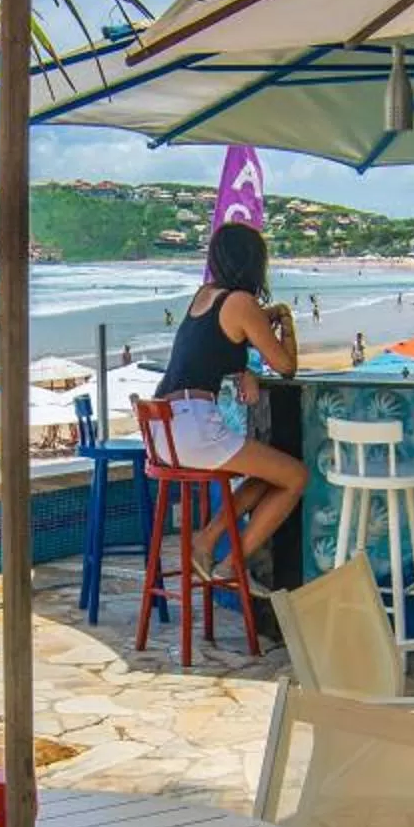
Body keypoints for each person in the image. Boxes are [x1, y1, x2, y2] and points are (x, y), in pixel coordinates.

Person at [156, 222, 306, 579]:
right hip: (193, 426)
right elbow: (286, 366)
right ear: (255, 262)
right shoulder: (241, 302)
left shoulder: (204, 295)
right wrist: (285, 319)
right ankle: (228, 564)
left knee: (273, 471)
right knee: (296, 476)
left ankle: (209, 541)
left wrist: (243, 370)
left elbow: (217, 344)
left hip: (163, 428)